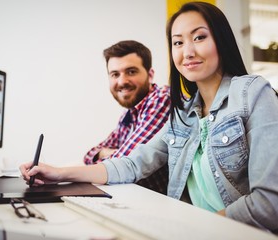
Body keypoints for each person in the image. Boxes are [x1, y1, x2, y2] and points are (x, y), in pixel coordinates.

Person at [20, 2, 278, 233]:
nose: (187, 52)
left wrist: (203, 228)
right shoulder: (184, 113)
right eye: (177, 42)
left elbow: (270, 202)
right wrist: (58, 173)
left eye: (199, 37)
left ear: (221, 40)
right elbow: (132, 164)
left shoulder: (253, 93)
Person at [83, 40, 170, 194]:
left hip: (160, 204)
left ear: (150, 75)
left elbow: (122, 165)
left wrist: (112, 153)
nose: (122, 81)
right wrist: (106, 153)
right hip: (132, 197)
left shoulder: (162, 99)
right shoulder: (130, 112)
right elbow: (90, 154)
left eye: (131, 72)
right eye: (115, 74)